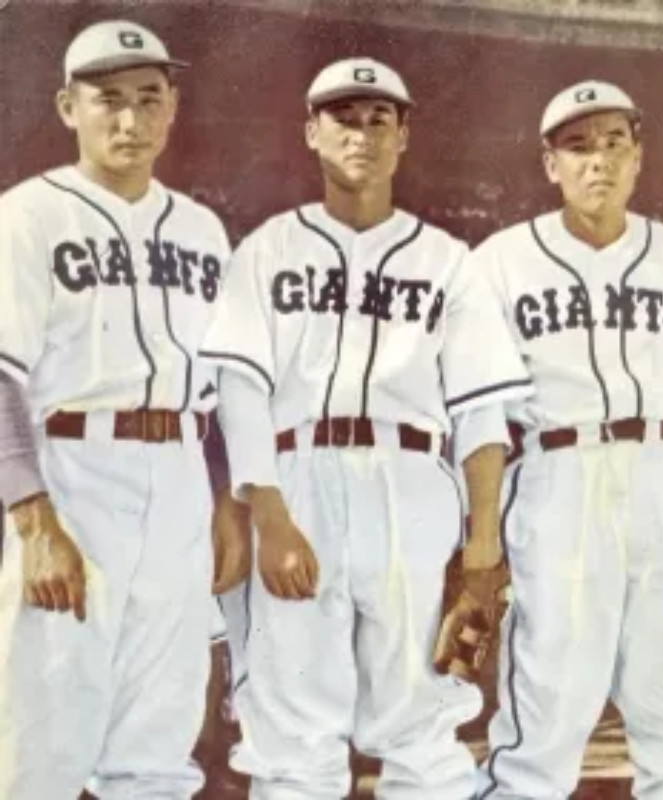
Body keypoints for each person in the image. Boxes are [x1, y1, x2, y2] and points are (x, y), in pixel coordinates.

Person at [201, 57, 532, 799]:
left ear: (402, 136)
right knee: (291, 731)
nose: (361, 133)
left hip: (411, 482)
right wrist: (270, 515)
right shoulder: (267, 248)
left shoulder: (448, 261)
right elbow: (240, 391)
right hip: (296, 475)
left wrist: (482, 545)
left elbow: (480, 412)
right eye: (343, 119)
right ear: (311, 133)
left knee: (423, 725)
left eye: (379, 119)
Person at [0, 19, 249, 800]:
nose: (130, 120)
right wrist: (33, 521)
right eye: (108, 99)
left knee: (158, 743)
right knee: (40, 741)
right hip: (71, 473)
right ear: (67, 108)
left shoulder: (202, 231)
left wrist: (223, 500)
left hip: (178, 477)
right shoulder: (26, 215)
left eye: (148, 98)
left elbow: (217, 388)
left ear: (172, 107)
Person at [474, 80, 663, 800]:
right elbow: (478, 409)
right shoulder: (499, 261)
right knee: (547, 710)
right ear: (550, 163)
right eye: (577, 146)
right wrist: (479, 536)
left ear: (638, 156)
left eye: (613, 143)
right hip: (559, 472)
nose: (598, 160)